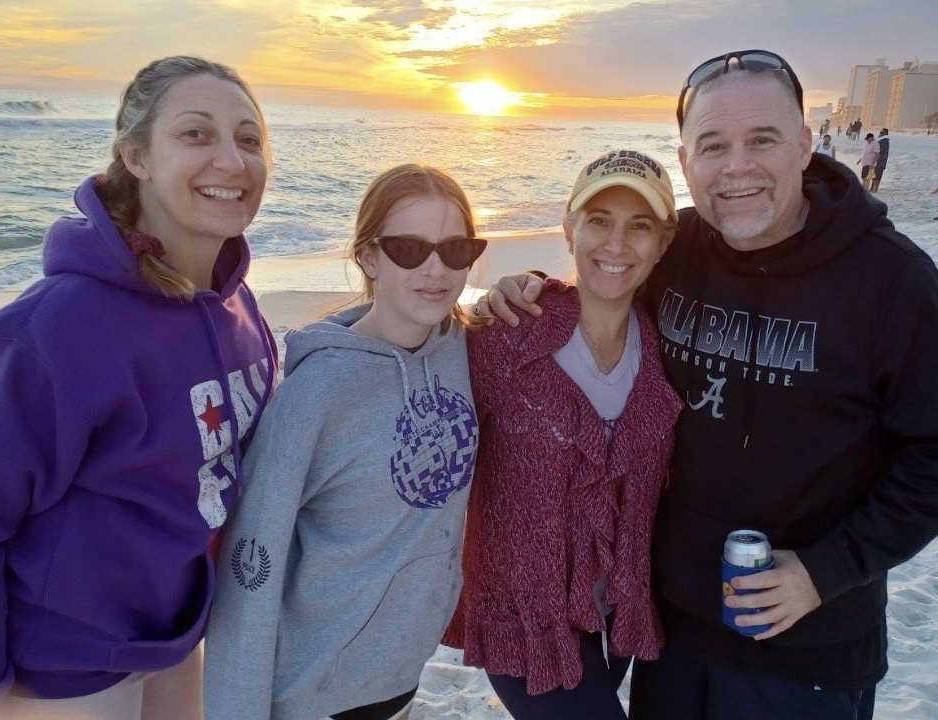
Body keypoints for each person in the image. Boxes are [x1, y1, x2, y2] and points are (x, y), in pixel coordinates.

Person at [477, 49, 938, 719]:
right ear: (688, 160)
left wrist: (826, 570)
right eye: (713, 145)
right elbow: (606, 293)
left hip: (808, 644)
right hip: (674, 631)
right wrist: (527, 294)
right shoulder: (677, 248)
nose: (737, 167)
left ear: (807, 145)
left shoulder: (892, 282)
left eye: (763, 140)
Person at [0, 56, 277, 718]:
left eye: (249, 138)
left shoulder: (239, 306)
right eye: (196, 134)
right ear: (136, 155)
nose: (232, 160)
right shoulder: (56, 330)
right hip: (58, 674)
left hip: (177, 641)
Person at [203, 164, 486, 720]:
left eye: (456, 249)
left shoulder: (462, 348)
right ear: (369, 257)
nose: (435, 269)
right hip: (316, 686)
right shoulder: (317, 392)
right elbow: (252, 559)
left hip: (401, 669)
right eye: (409, 248)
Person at [443, 149, 682, 718]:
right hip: (524, 622)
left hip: (615, 613)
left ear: (664, 242)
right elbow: (411, 377)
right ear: (569, 228)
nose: (617, 244)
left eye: (639, 225)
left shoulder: (664, 347)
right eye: (599, 220)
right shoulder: (505, 335)